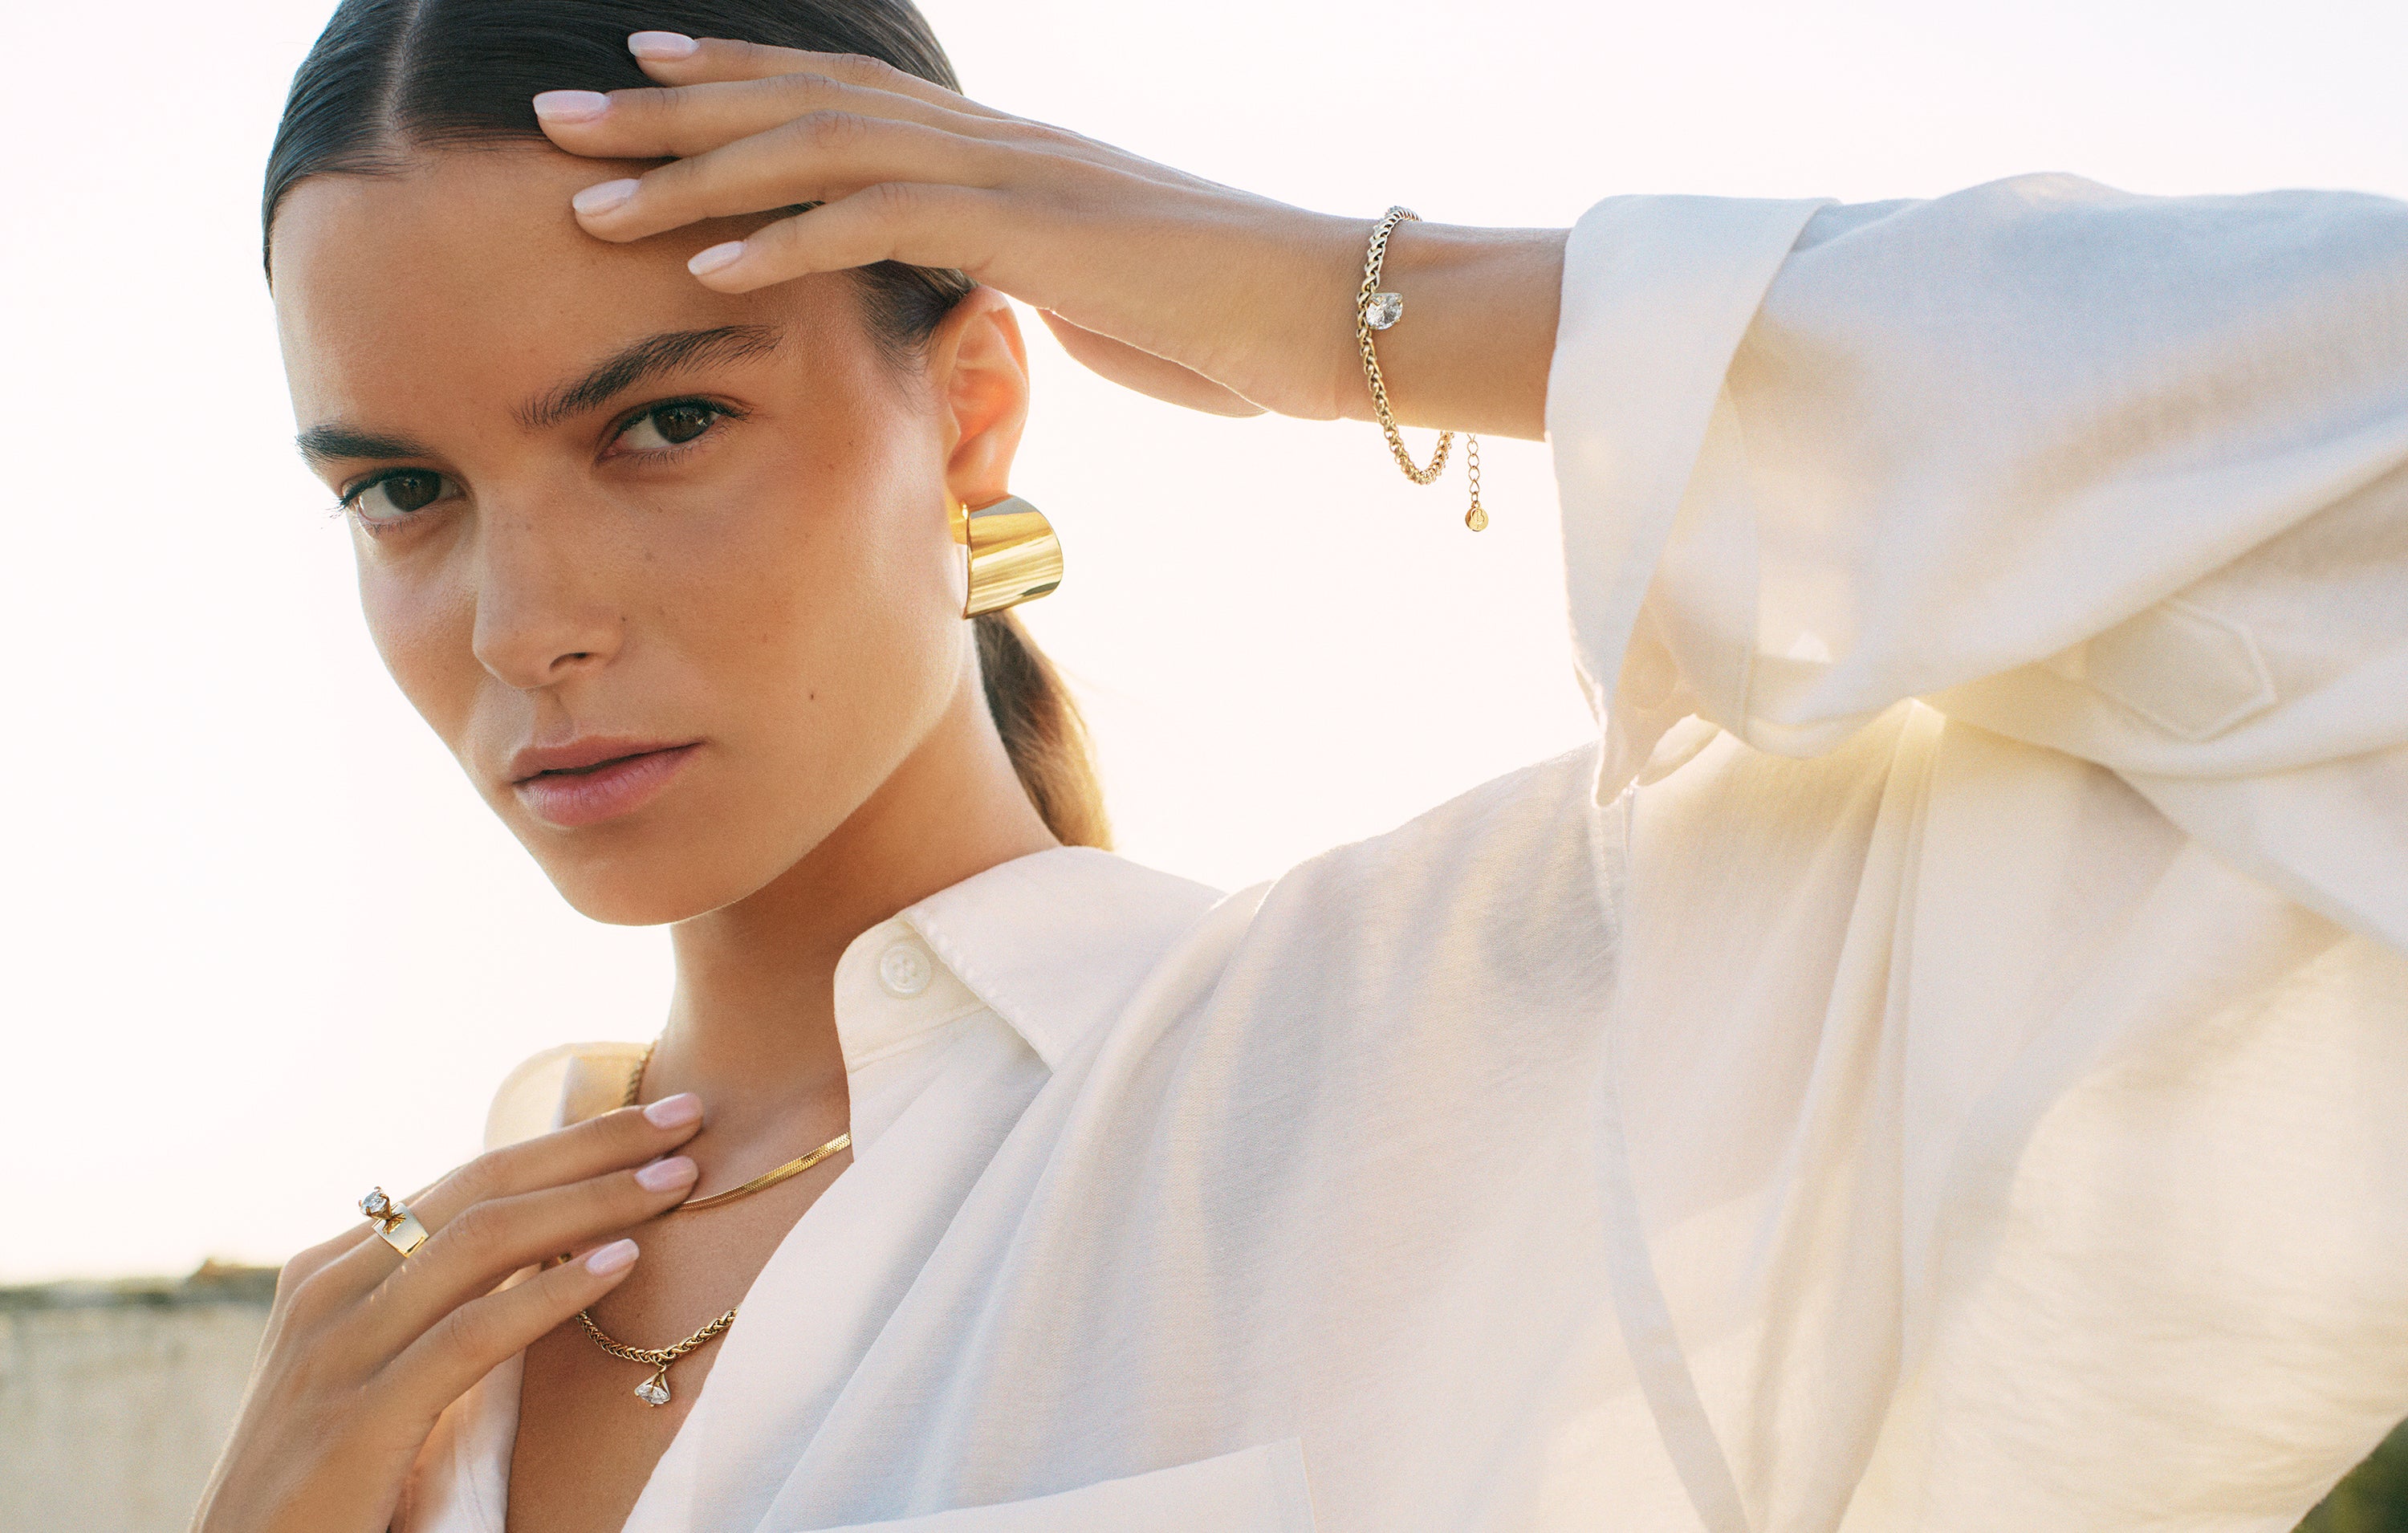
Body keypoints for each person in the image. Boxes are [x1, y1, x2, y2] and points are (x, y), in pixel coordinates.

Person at [193, 0, 2408, 1529]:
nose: (523, 624)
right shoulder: (403, 1357)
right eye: (401, 492)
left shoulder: (1488, 1049)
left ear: (970, 411)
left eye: (665, 421)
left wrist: (1343, 296)